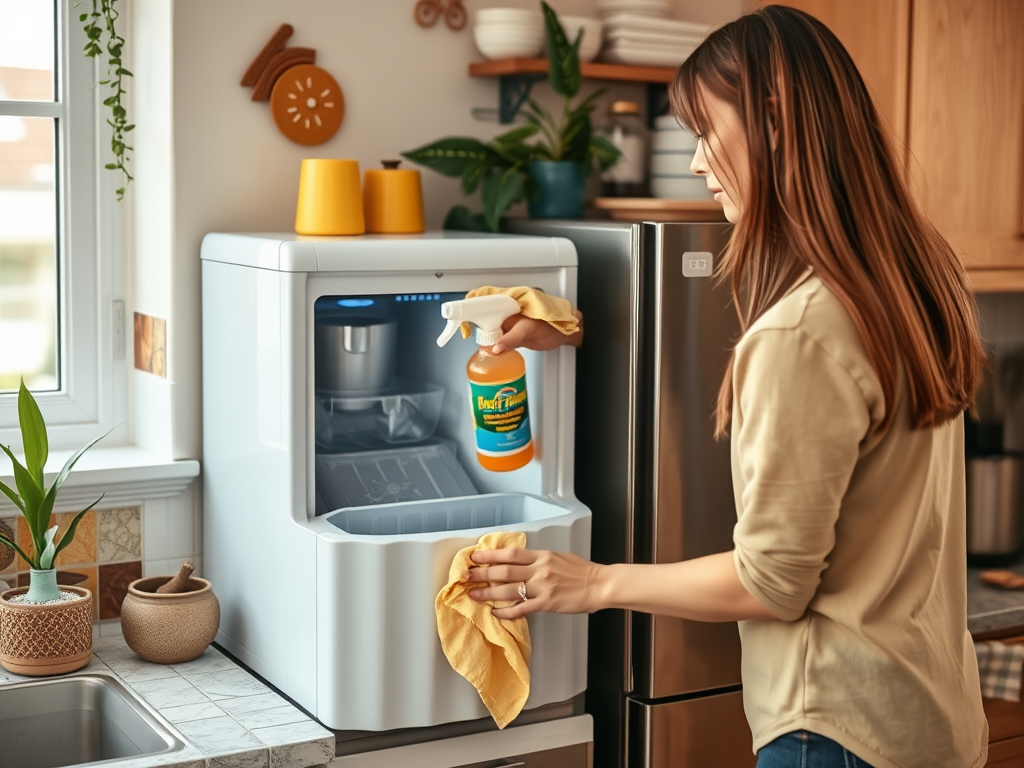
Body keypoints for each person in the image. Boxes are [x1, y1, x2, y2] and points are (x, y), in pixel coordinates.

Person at [468, 6, 989, 768]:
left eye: (707, 131)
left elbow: (771, 583)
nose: (695, 161)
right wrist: (582, 330)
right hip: (931, 718)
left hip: (835, 733)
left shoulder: (799, 332)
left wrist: (595, 582)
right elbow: (811, 392)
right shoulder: (921, 277)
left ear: (774, 123)